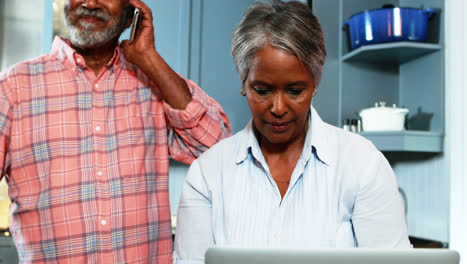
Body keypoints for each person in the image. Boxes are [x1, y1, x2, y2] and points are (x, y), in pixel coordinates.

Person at [174, 1, 411, 263]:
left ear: (315, 84)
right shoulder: (207, 174)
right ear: (244, 84)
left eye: (295, 91)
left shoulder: (363, 164)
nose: (278, 108)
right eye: (262, 90)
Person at [0, 0, 231, 263]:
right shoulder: (12, 89)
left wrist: (150, 59)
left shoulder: (155, 82)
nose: (89, 3)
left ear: (130, 10)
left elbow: (220, 148)